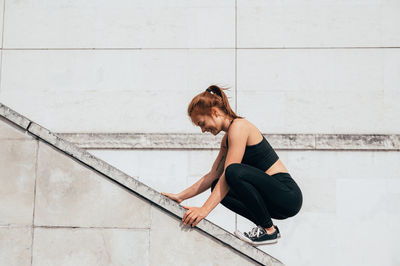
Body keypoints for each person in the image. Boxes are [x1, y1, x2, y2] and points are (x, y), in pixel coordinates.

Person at [161, 85, 303, 245]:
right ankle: (266, 226)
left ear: (214, 112)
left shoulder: (240, 127)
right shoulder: (226, 140)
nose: (202, 130)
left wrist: (203, 210)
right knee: (216, 185)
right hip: (271, 202)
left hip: (287, 196)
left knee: (232, 171)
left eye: (202, 123)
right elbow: (212, 175)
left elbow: (230, 172)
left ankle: (269, 231)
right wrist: (180, 196)